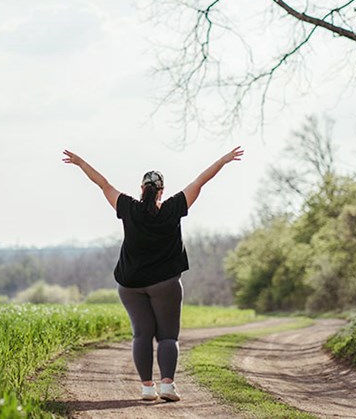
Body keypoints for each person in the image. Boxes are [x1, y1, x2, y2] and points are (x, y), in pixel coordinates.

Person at [62, 146, 243, 402]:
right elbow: (200, 181)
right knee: (167, 336)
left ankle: (147, 388)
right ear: (161, 191)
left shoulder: (127, 207)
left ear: (141, 189)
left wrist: (80, 162)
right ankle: (167, 385)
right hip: (165, 284)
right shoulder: (173, 208)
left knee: (142, 334)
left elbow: (103, 184)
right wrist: (223, 160)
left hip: (130, 285)